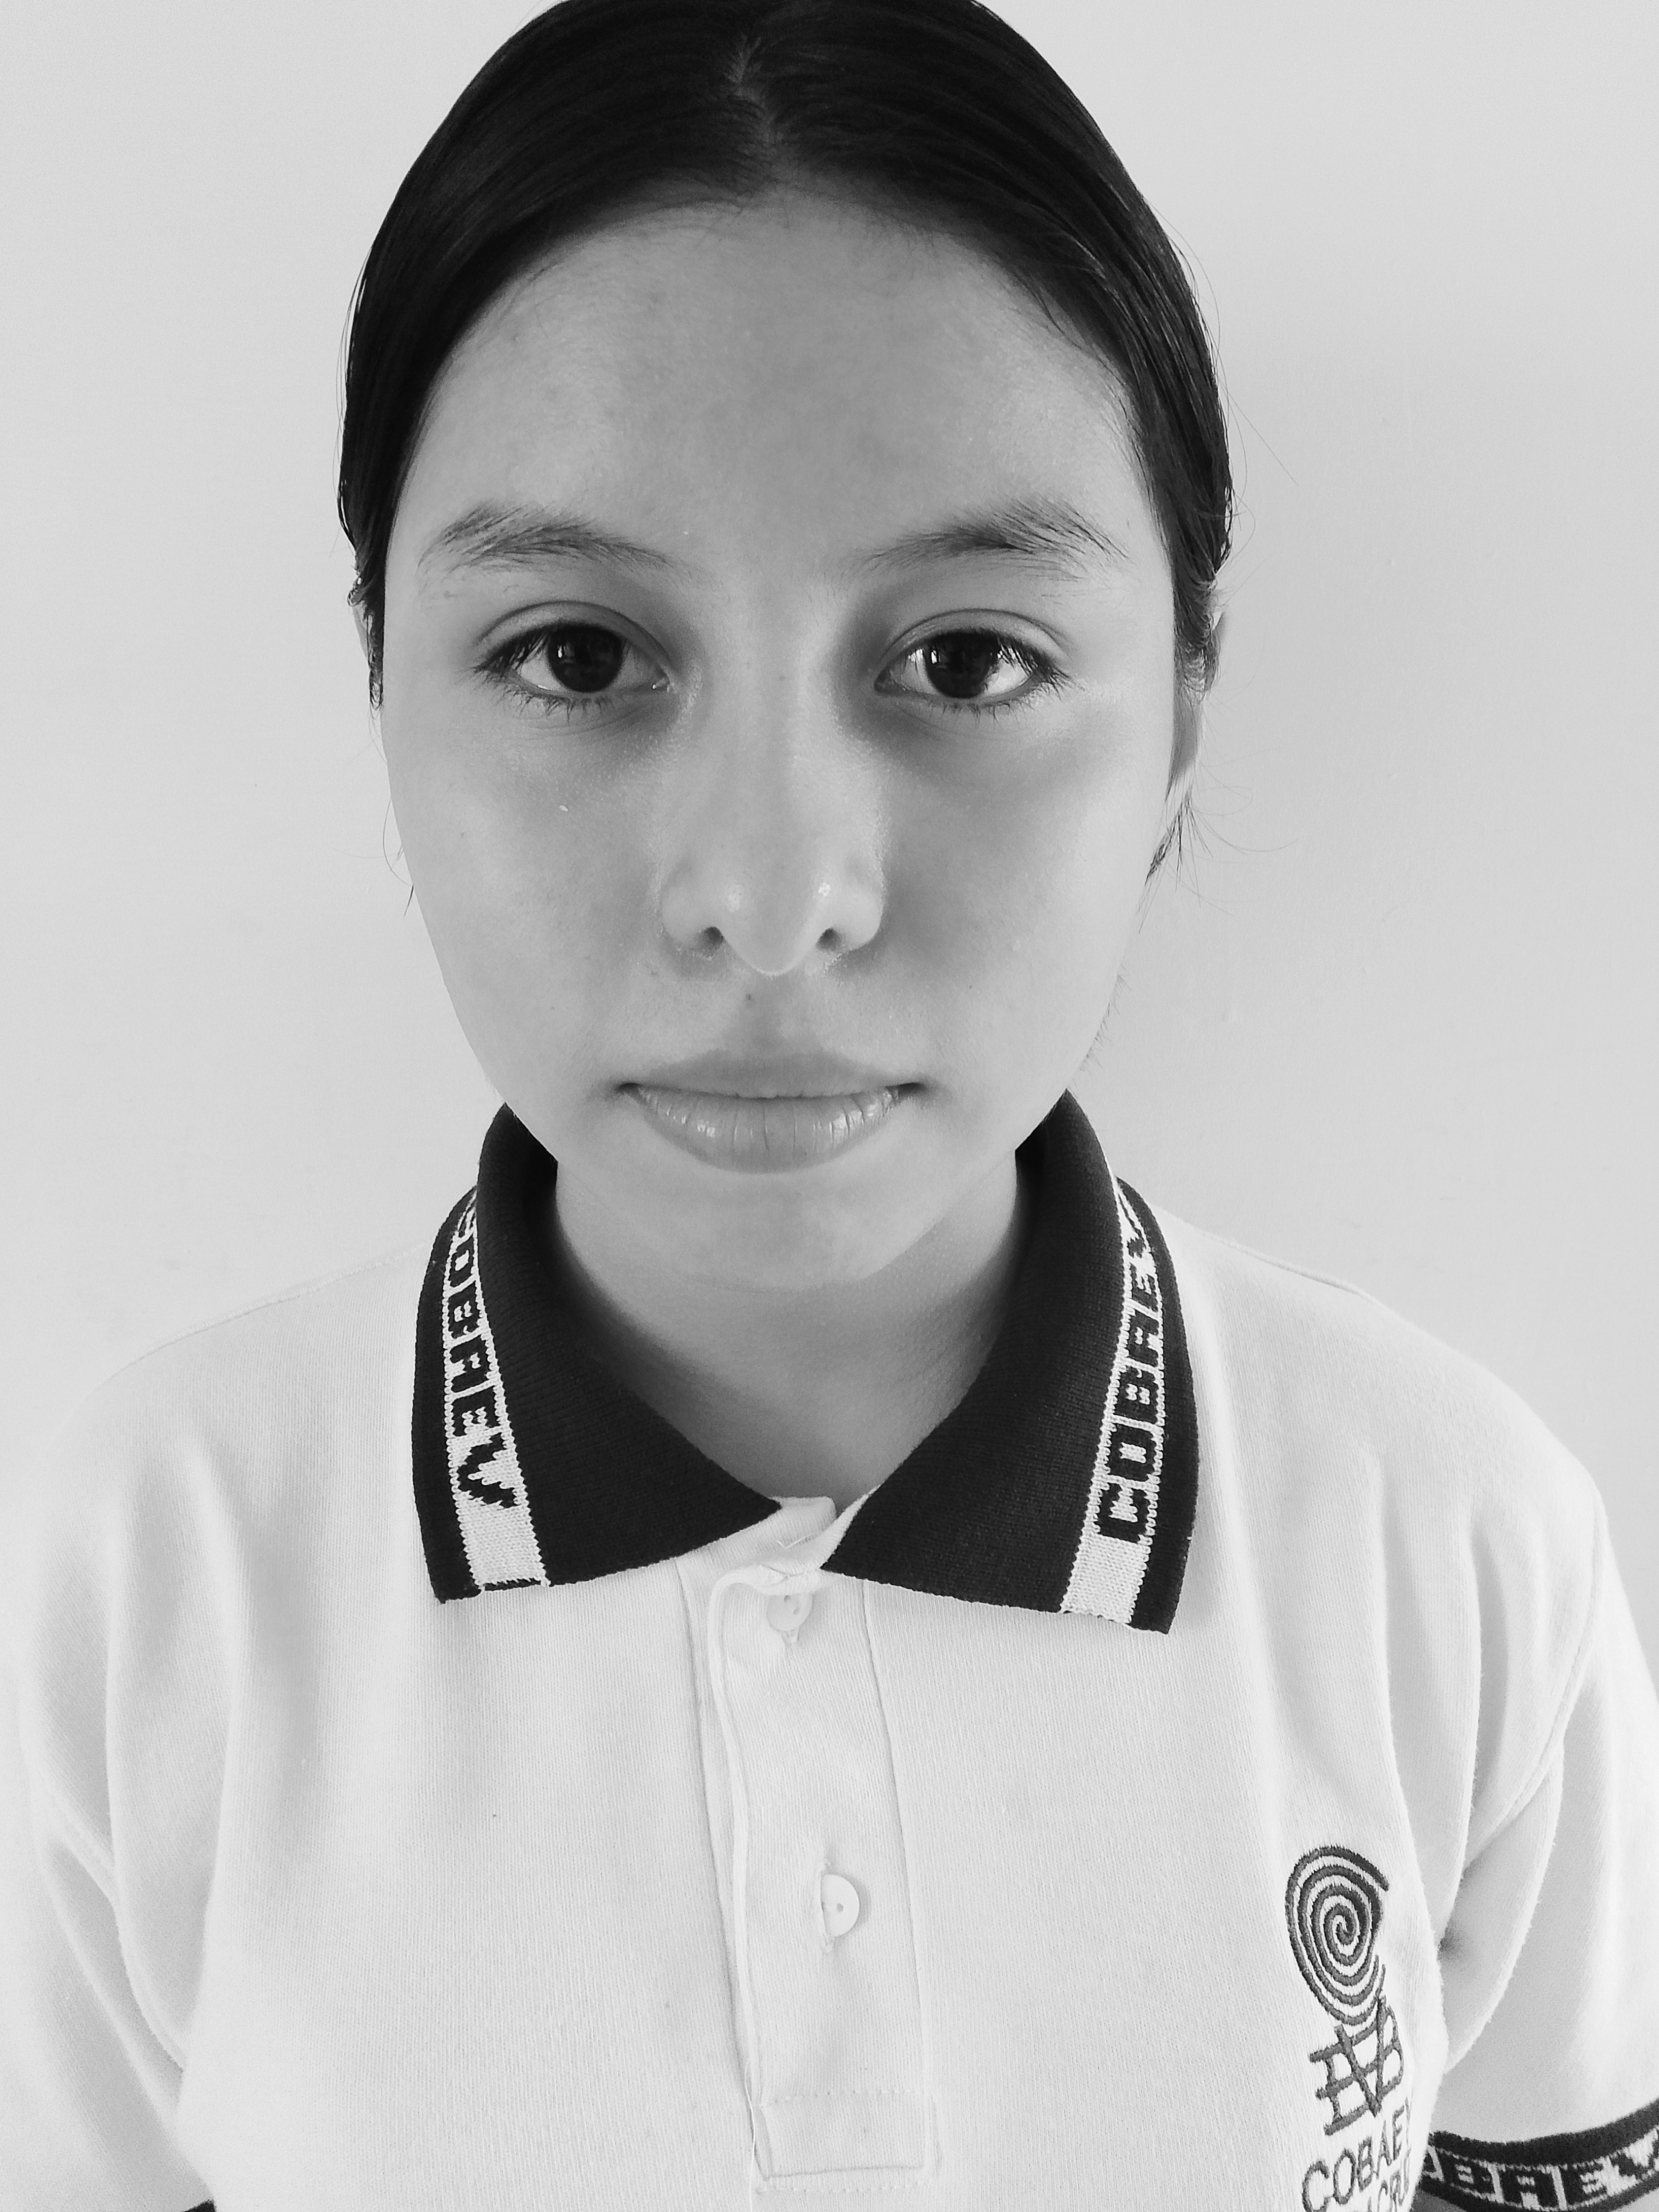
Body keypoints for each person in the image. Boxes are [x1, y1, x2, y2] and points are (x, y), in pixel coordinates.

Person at [3, 0, 1656, 2202]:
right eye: (578, 655)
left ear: (1180, 715)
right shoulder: (150, 1573)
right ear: (382, 683)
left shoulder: (1450, 1542)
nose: (773, 902)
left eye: (965, 660)